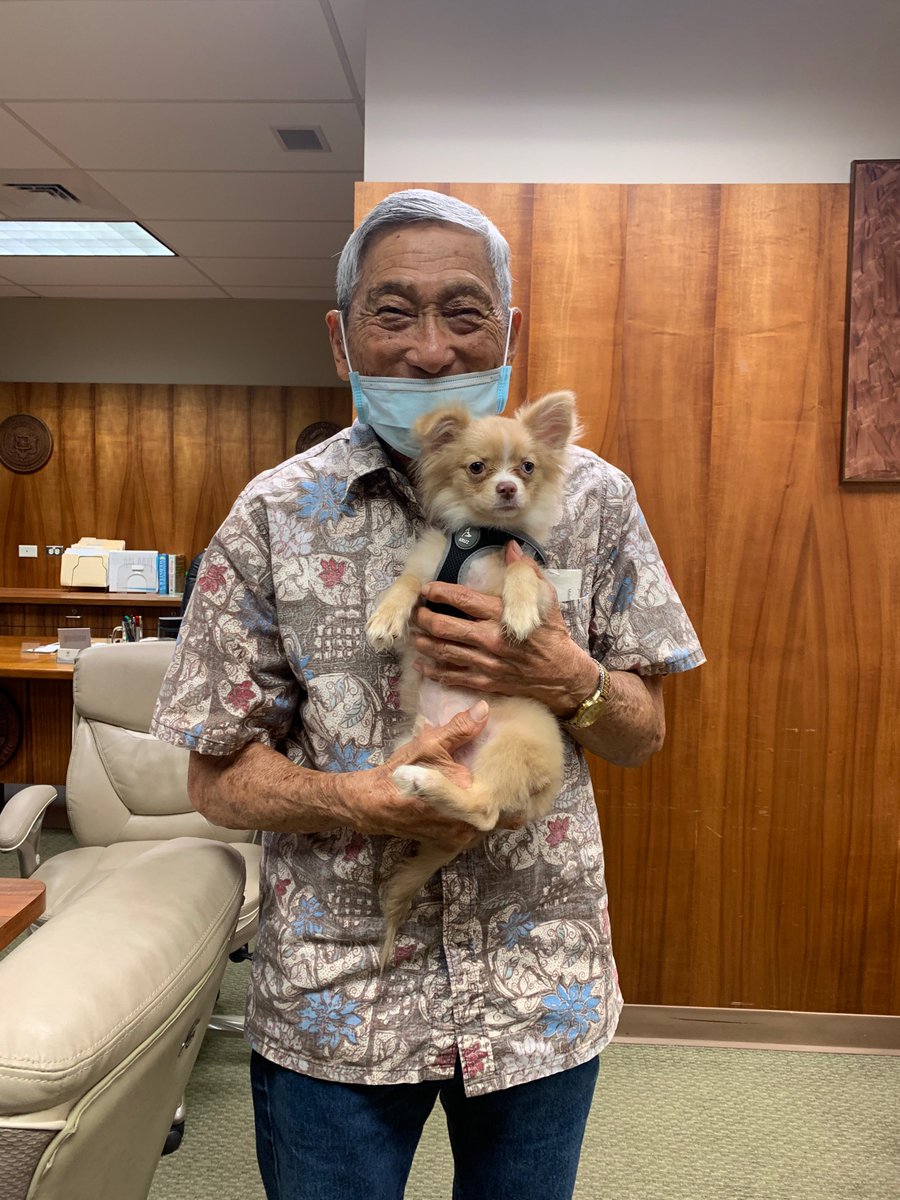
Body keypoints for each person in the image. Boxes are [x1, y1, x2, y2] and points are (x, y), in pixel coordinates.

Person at [150, 189, 704, 1200]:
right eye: (393, 314)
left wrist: (573, 681)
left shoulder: (594, 499)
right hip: (338, 993)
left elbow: (644, 734)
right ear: (341, 338)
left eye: (465, 312)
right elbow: (214, 776)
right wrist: (353, 800)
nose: (432, 350)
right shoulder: (274, 516)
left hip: (541, 983)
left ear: (511, 329)